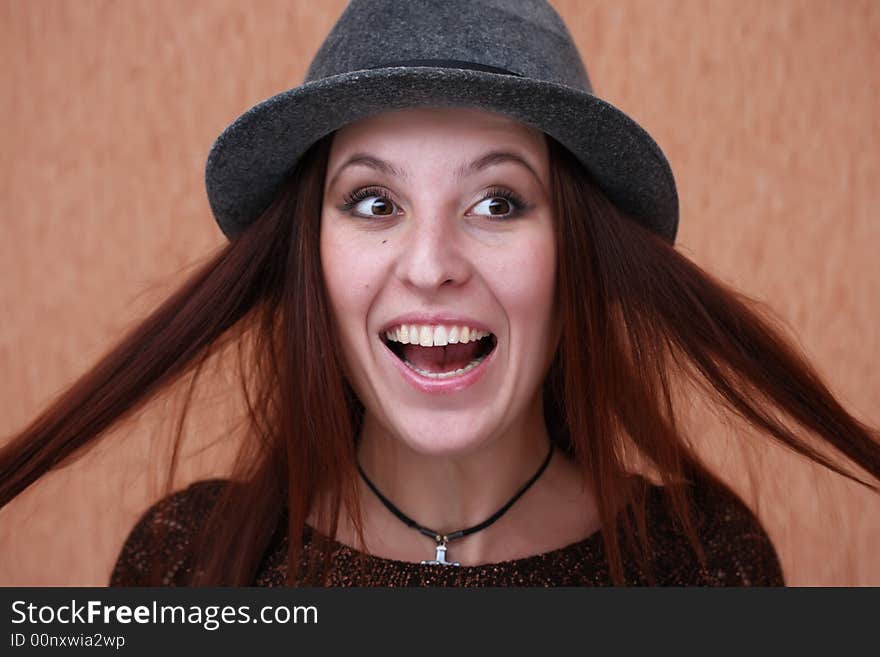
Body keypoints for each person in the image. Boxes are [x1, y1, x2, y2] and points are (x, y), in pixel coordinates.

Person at [1, 0, 877, 586]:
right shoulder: (184, 564)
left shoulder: (706, 564)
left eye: (497, 201)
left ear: (577, 253)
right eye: (374, 202)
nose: (430, 264)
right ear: (312, 256)